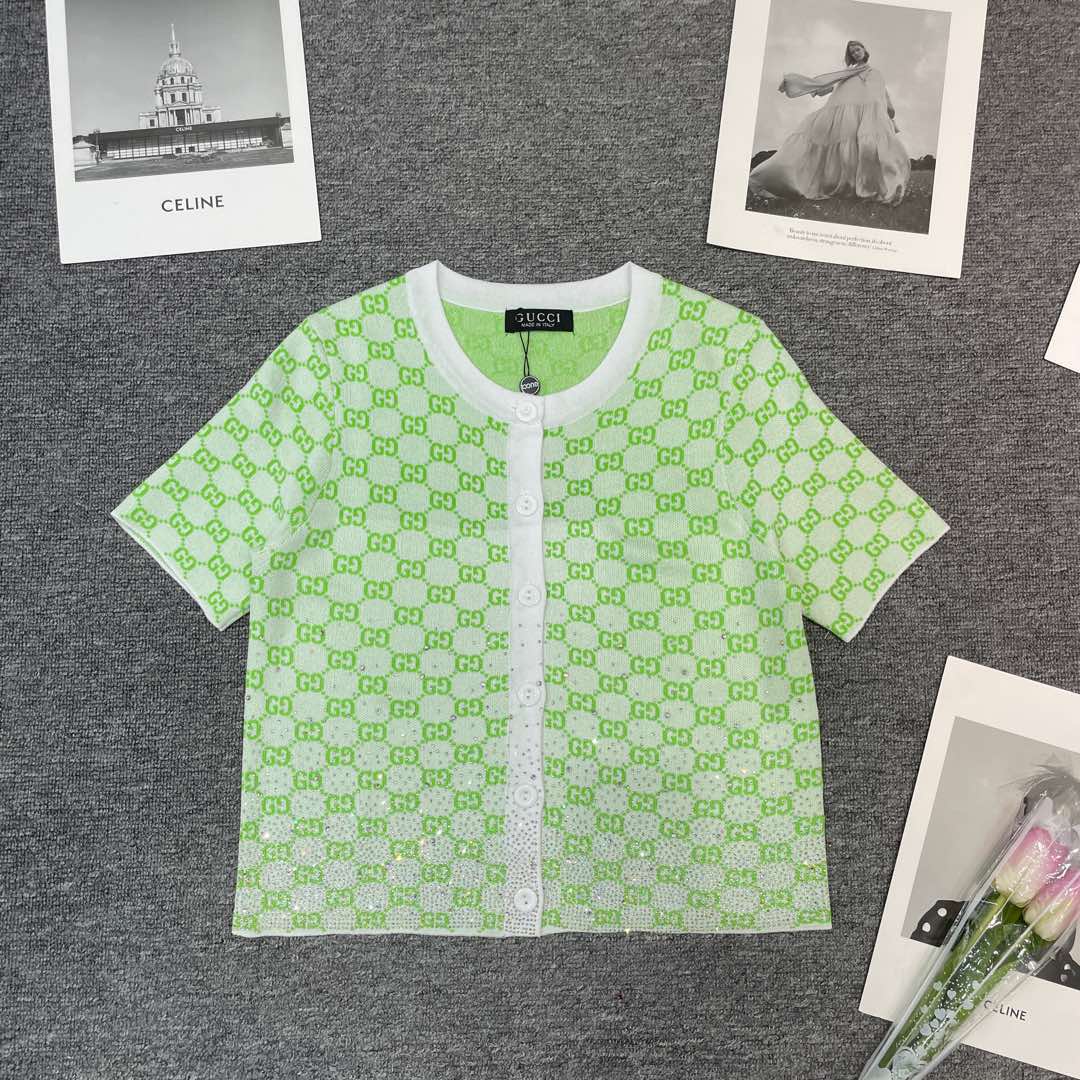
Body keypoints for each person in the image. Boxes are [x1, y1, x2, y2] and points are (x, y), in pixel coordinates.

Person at [749, 40, 910, 206]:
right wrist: (796, 84)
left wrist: (888, 111)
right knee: (834, 147)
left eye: (857, 49)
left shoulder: (875, 73)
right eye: (852, 52)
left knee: (868, 148)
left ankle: (878, 186)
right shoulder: (847, 73)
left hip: (868, 116)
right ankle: (780, 176)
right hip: (846, 115)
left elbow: (881, 93)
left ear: (864, 49)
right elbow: (830, 85)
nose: (856, 53)